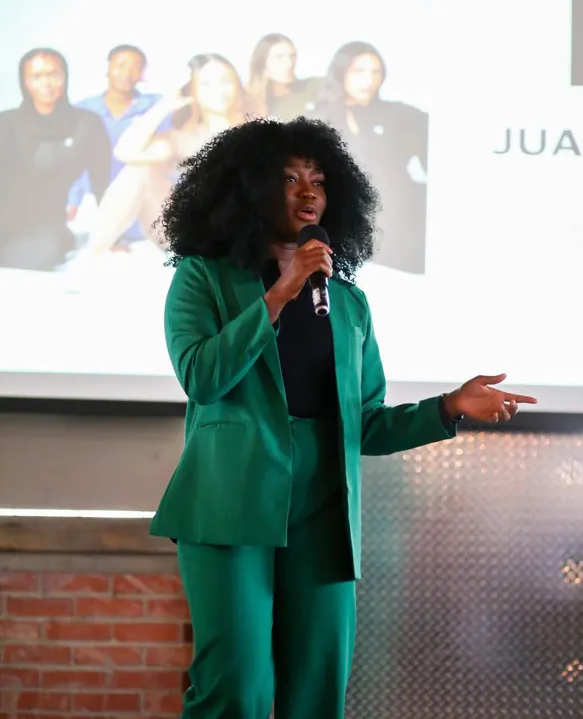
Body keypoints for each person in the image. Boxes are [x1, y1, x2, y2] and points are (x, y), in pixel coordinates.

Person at [149, 116, 537, 718]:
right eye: (290, 179)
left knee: (318, 688)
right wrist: (281, 291)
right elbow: (202, 376)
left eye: (319, 181)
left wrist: (449, 407)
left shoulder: (349, 303)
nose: (309, 193)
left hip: (323, 510)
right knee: (237, 690)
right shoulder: (203, 278)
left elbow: (367, 424)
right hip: (228, 503)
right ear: (250, 189)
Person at [86, 53, 249, 254]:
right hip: (194, 235)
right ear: (192, 92)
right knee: (139, 171)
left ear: (237, 84)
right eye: (206, 84)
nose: (219, 90)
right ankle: (93, 254)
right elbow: (124, 151)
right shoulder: (183, 138)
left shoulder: (259, 128)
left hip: (243, 235)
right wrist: (164, 106)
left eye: (226, 81)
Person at [315, 41, 429, 274]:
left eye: (375, 71)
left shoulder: (402, 115)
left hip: (397, 226)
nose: (368, 80)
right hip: (338, 229)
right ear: (341, 72)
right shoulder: (320, 117)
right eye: (359, 71)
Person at [0, 48, 110, 271]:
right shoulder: (7, 122)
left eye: (53, 74)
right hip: (6, 217)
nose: (46, 84)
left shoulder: (86, 123)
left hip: (46, 225)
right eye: (36, 77)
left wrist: (110, 234)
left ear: (65, 76)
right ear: (24, 82)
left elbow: (101, 183)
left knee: (33, 258)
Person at [68, 44, 165, 244]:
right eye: (120, 65)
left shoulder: (156, 107)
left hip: (140, 200)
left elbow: (170, 156)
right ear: (107, 68)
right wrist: (72, 200)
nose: (127, 73)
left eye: (135, 67)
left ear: (142, 73)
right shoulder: (83, 110)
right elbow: (73, 163)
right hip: (94, 200)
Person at [248, 33, 322, 120]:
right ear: (262, 61)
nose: (289, 63)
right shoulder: (247, 100)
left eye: (292, 56)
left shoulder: (313, 87)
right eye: (279, 57)